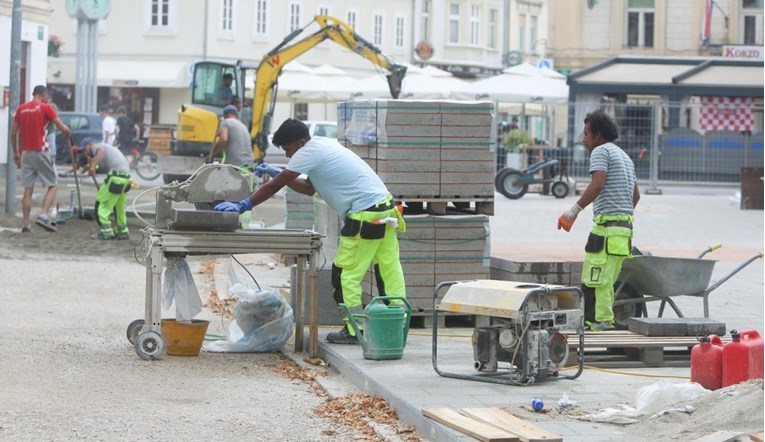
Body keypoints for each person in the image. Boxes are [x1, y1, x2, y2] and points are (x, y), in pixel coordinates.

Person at [214, 118, 407, 345]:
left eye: (288, 150)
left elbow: (274, 186)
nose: (288, 156)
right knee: (388, 270)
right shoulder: (322, 145)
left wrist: (243, 205)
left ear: (301, 142)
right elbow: (308, 188)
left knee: (345, 275)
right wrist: (280, 172)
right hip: (385, 209)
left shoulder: (307, 152)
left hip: (365, 217)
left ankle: (356, 329)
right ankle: (398, 321)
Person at [557, 110, 640, 331]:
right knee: (606, 280)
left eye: (586, 133)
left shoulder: (601, 152)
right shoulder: (625, 157)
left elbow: (597, 184)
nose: (583, 139)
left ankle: (601, 323)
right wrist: (622, 215)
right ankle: (598, 321)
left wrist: (573, 211)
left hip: (606, 231)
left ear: (598, 135)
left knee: (596, 280)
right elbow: (636, 196)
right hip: (623, 233)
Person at [11, 85, 71, 233]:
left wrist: (15, 153)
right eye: (47, 96)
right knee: (53, 184)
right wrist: (67, 131)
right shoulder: (46, 107)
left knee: (28, 189)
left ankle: (26, 226)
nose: (47, 98)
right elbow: (62, 127)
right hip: (41, 150)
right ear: (43, 95)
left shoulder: (21, 109)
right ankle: (43, 215)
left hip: (25, 153)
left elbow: (13, 133)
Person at [76, 137, 132, 240]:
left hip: (116, 177)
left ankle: (106, 232)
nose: (85, 153)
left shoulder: (97, 147)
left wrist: (93, 166)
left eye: (85, 150)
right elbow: (99, 164)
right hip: (126, 178)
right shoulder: (106, 151)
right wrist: (89, 168)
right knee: (119, 208)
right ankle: (122, 231)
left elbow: (101, 152)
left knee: (101, 205)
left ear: (89, 145)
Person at [207, 105, 254, 171]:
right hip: (249, 165)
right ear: (236, 115)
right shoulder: (243, 126)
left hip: (236, 166)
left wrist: (212, 154)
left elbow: (223, 139)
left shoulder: (225, 122)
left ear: (225, 115)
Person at [45, 97, 60, 163]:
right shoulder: (42, 106)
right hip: (43, 130)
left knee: (51, 146)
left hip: (50, 129)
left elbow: (55, 117)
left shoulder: (52, 106)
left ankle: (52, 162)